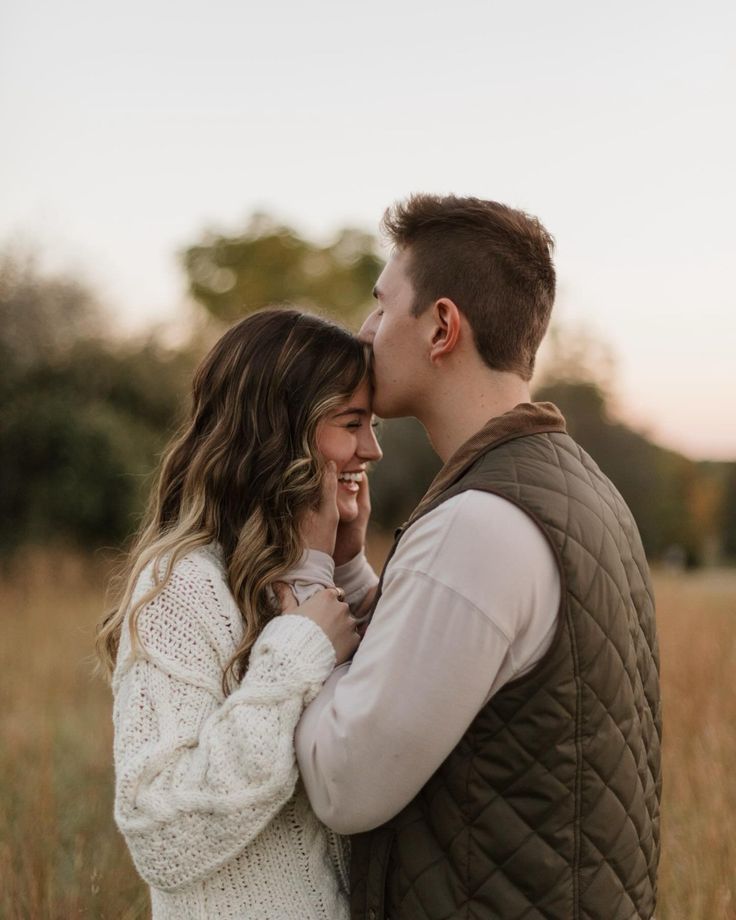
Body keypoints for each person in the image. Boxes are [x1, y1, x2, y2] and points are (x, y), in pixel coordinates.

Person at [290, 195, 662, 919]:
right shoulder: (580, 489)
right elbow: (467, 664)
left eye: (381, 306)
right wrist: (349, 572)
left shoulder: (479, 525)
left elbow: (344, 785)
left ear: (441, 326)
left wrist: (304, 588)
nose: (363, 333)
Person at [96, 308, 382, 919]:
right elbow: (161, 836)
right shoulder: (181, 588)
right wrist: (296, 654)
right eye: (352, 423)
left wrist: (347, 567)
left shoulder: (309, 574)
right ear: (282, 432)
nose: (372, 449)